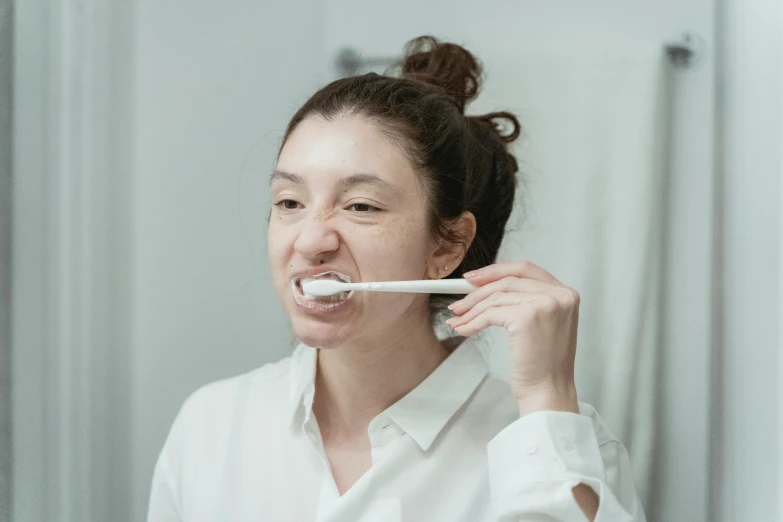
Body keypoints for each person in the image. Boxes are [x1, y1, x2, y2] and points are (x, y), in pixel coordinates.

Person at [147, 36, 646, 522]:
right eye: (290, 203)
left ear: (446, 245)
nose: (310, 241)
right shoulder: (210, 424)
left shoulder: (561, 445)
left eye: (361, 205)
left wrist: (544, 392)